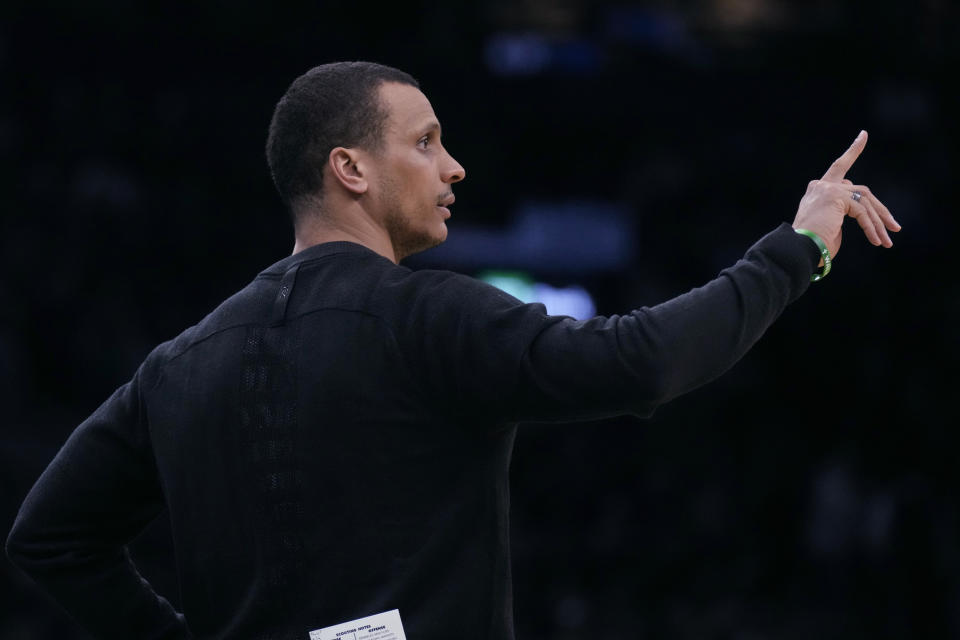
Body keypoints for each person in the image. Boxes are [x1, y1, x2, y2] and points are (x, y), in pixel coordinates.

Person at [6, 61, 899, 640]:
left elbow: (50, 540)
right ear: (349, 168)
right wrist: (797, 247)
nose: (454, 166)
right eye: (426, 142)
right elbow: (642, 364)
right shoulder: (424, 318)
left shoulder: (178, 364)